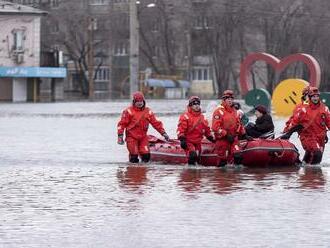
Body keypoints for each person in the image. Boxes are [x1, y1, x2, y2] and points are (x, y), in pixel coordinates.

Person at [117, 91, 170, 163]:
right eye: (137, 101)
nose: (139, 103)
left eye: (141, 101)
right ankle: (132, 172)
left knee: (146, 156)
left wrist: (163, 133)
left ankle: (142, 172)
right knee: (134, 157)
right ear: (134, 102)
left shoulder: (148, 111)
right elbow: (121, 124)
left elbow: (156, 123)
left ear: (143, 101)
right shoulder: (128, 111)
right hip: (131, 137)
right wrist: (120, 136)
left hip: (143, 137)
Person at [281, 87, 330, 164]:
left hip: (321, 137)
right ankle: (312, 172)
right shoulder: (302, 108)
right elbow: (294, 121)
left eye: (317, 96)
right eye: (313, 96)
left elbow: (328, 122)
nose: (316, 98)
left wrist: (325, 135)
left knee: (316, 158)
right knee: (317, 154)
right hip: (308, 136)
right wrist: (287, 132)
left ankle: (307, 170)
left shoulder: (324, 108)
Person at [212, 90, 248, 166]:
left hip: (234, 139)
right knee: (222, 162)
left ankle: (235, 176)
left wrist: (244, 134)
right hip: (223, 140)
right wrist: (226, 134)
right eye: (228, 99)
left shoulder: (235, 111)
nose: (230, 100)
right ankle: (224, 177)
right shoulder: (218, 111)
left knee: (238, 156)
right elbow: (215, 127)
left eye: (231, 99)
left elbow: (239, 124)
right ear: (224, 100)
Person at [177, 96, 215, 165]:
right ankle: (189, 173)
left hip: (198, 142)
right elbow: (181, 129)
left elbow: (207, 131)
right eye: (194, 104)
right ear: (190, 106)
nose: (196, 106)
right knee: (193, 155)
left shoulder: (202, 117)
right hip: (188, 142)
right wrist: (182, 139)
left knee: (197, 159)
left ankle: (195, 174)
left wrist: (212, 139)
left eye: (198, 104)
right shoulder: (185, 116)